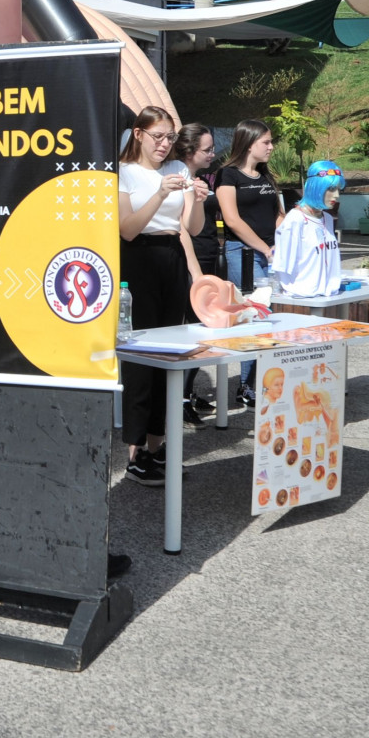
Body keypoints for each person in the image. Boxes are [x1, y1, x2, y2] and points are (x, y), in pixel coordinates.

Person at [117, 105, 208, 486]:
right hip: (138, 260)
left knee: (169, 353)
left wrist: (199, 198)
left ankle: (157, 447)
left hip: (171, 257)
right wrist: (157, 194)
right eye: (158, 137)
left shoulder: (178, 170)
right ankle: (135, 453)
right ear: (138, 134)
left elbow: (192, 227)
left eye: (170, 138)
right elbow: (127, 230)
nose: (165, 144)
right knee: (141, 358)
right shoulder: (123, 173)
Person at [216, 119, 282, 405]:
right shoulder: (227, 176)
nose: (271, 146)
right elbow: (232, 220)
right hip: (243, 252)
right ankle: (245, 385)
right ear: (248, 142)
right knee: (254, 315)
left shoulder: (267, 176)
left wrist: (281, 243)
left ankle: (261, 380)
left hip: (270, 253)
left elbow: (279, 215)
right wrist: (264, 248)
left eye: (271, 141)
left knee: (269, 318)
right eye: (266, 142)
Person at [273, 160, 344, 298]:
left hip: (330, 295)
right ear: (316, 187)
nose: (336, 195)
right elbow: (283, 265)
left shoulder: (327, 219)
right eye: (330, 189)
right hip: (301, 296)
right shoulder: (295, 220)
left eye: (338, 189)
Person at [172, 123, 222, 277]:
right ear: (189, 152)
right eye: (207, 150)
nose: (212, 154)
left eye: (212, 149)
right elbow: (182, 227)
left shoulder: (202, 181)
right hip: (191, 257)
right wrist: (195, 272)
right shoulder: (177, 181)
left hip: (210, 253)